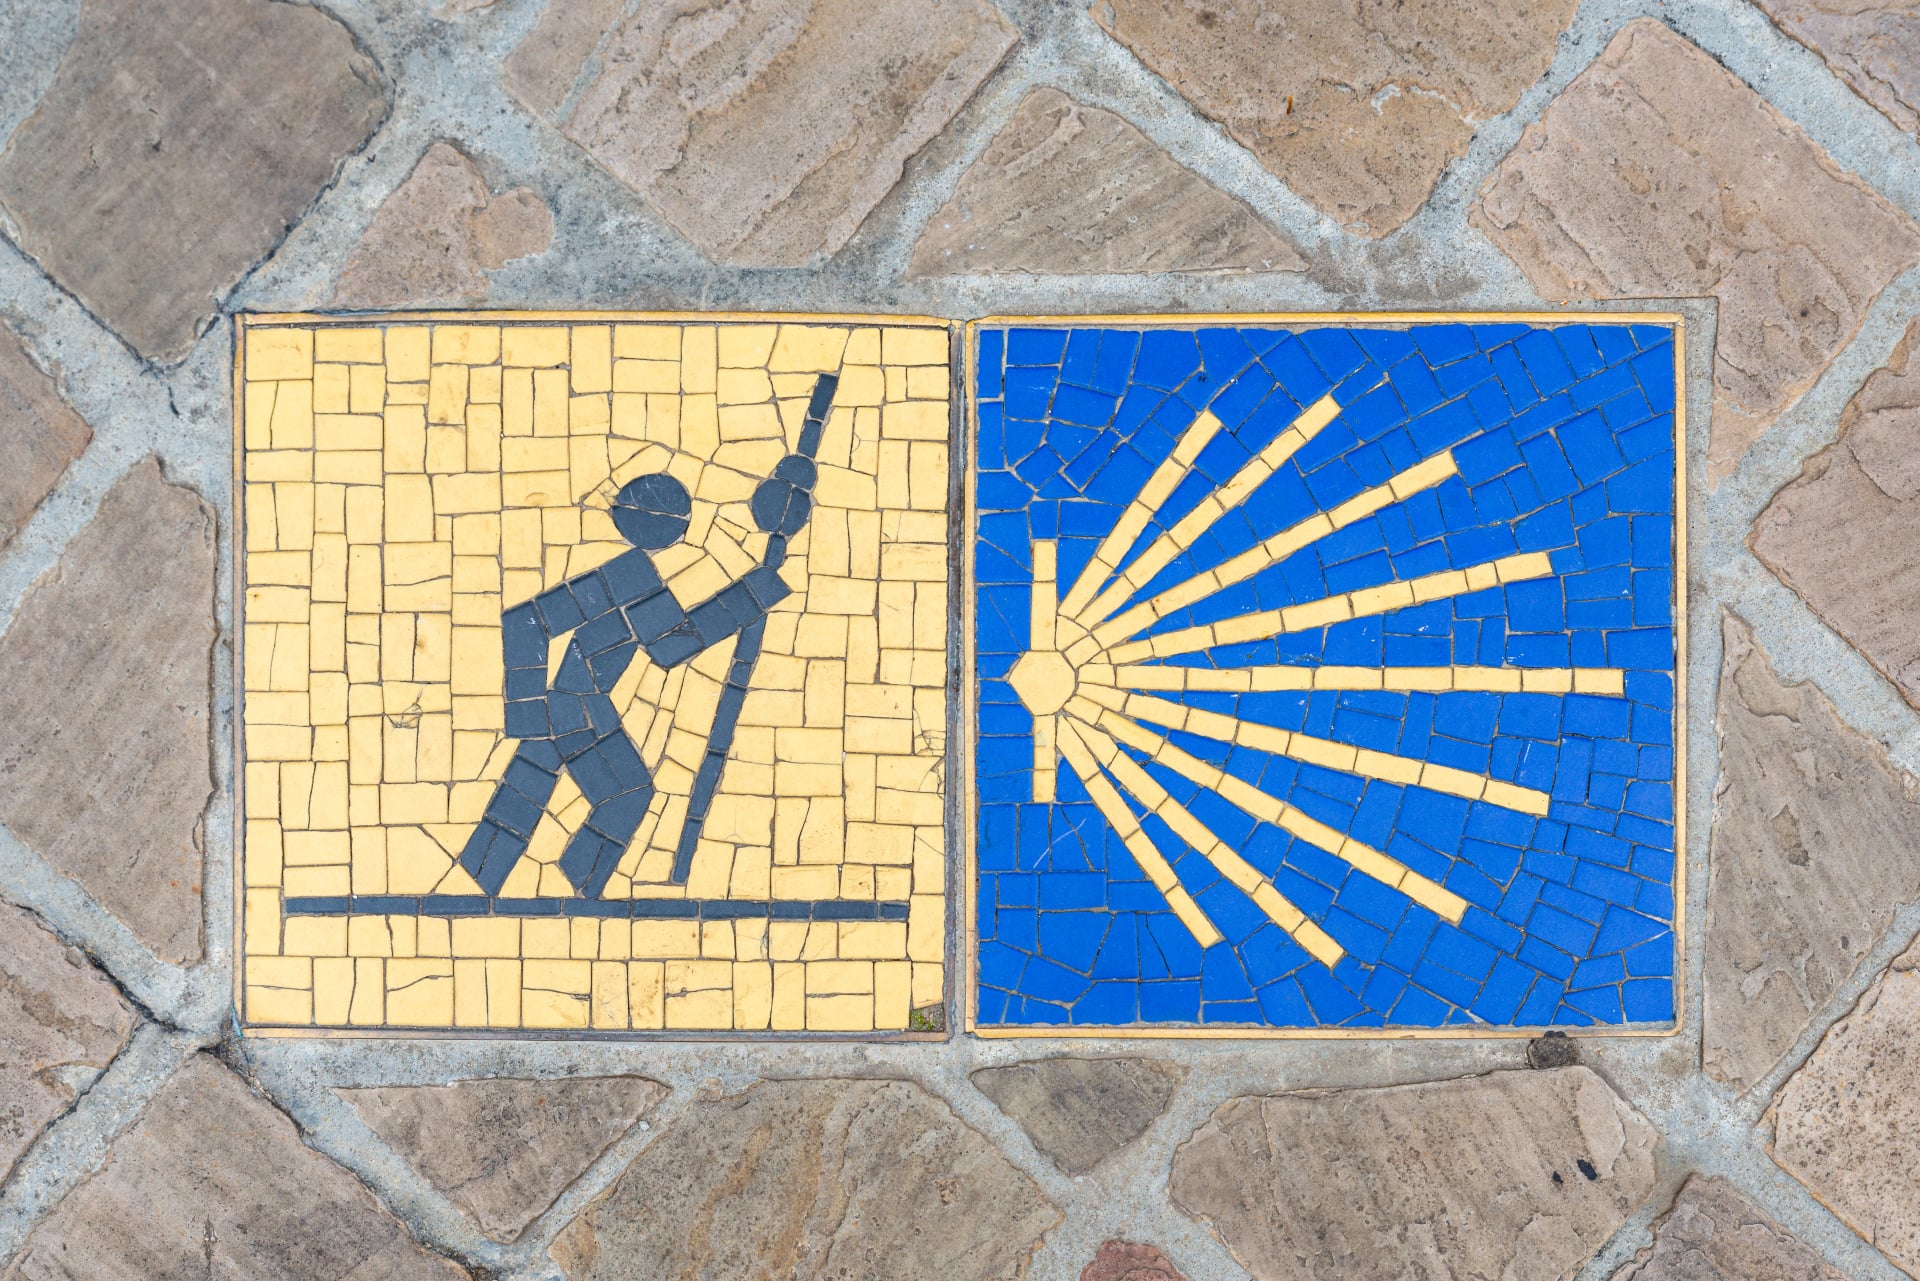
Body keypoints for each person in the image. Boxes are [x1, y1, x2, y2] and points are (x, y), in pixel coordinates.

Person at [459, 373, 836, 897]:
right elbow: (670, 646)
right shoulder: (629, 577)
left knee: (522, 794)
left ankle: (478, 881)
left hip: (566, 703)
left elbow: (531, 622)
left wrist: (532, 711)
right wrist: (752, 592)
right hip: (580, 704)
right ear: (670, 526)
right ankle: (580, 888)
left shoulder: (624, 573)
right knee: (628, 793)